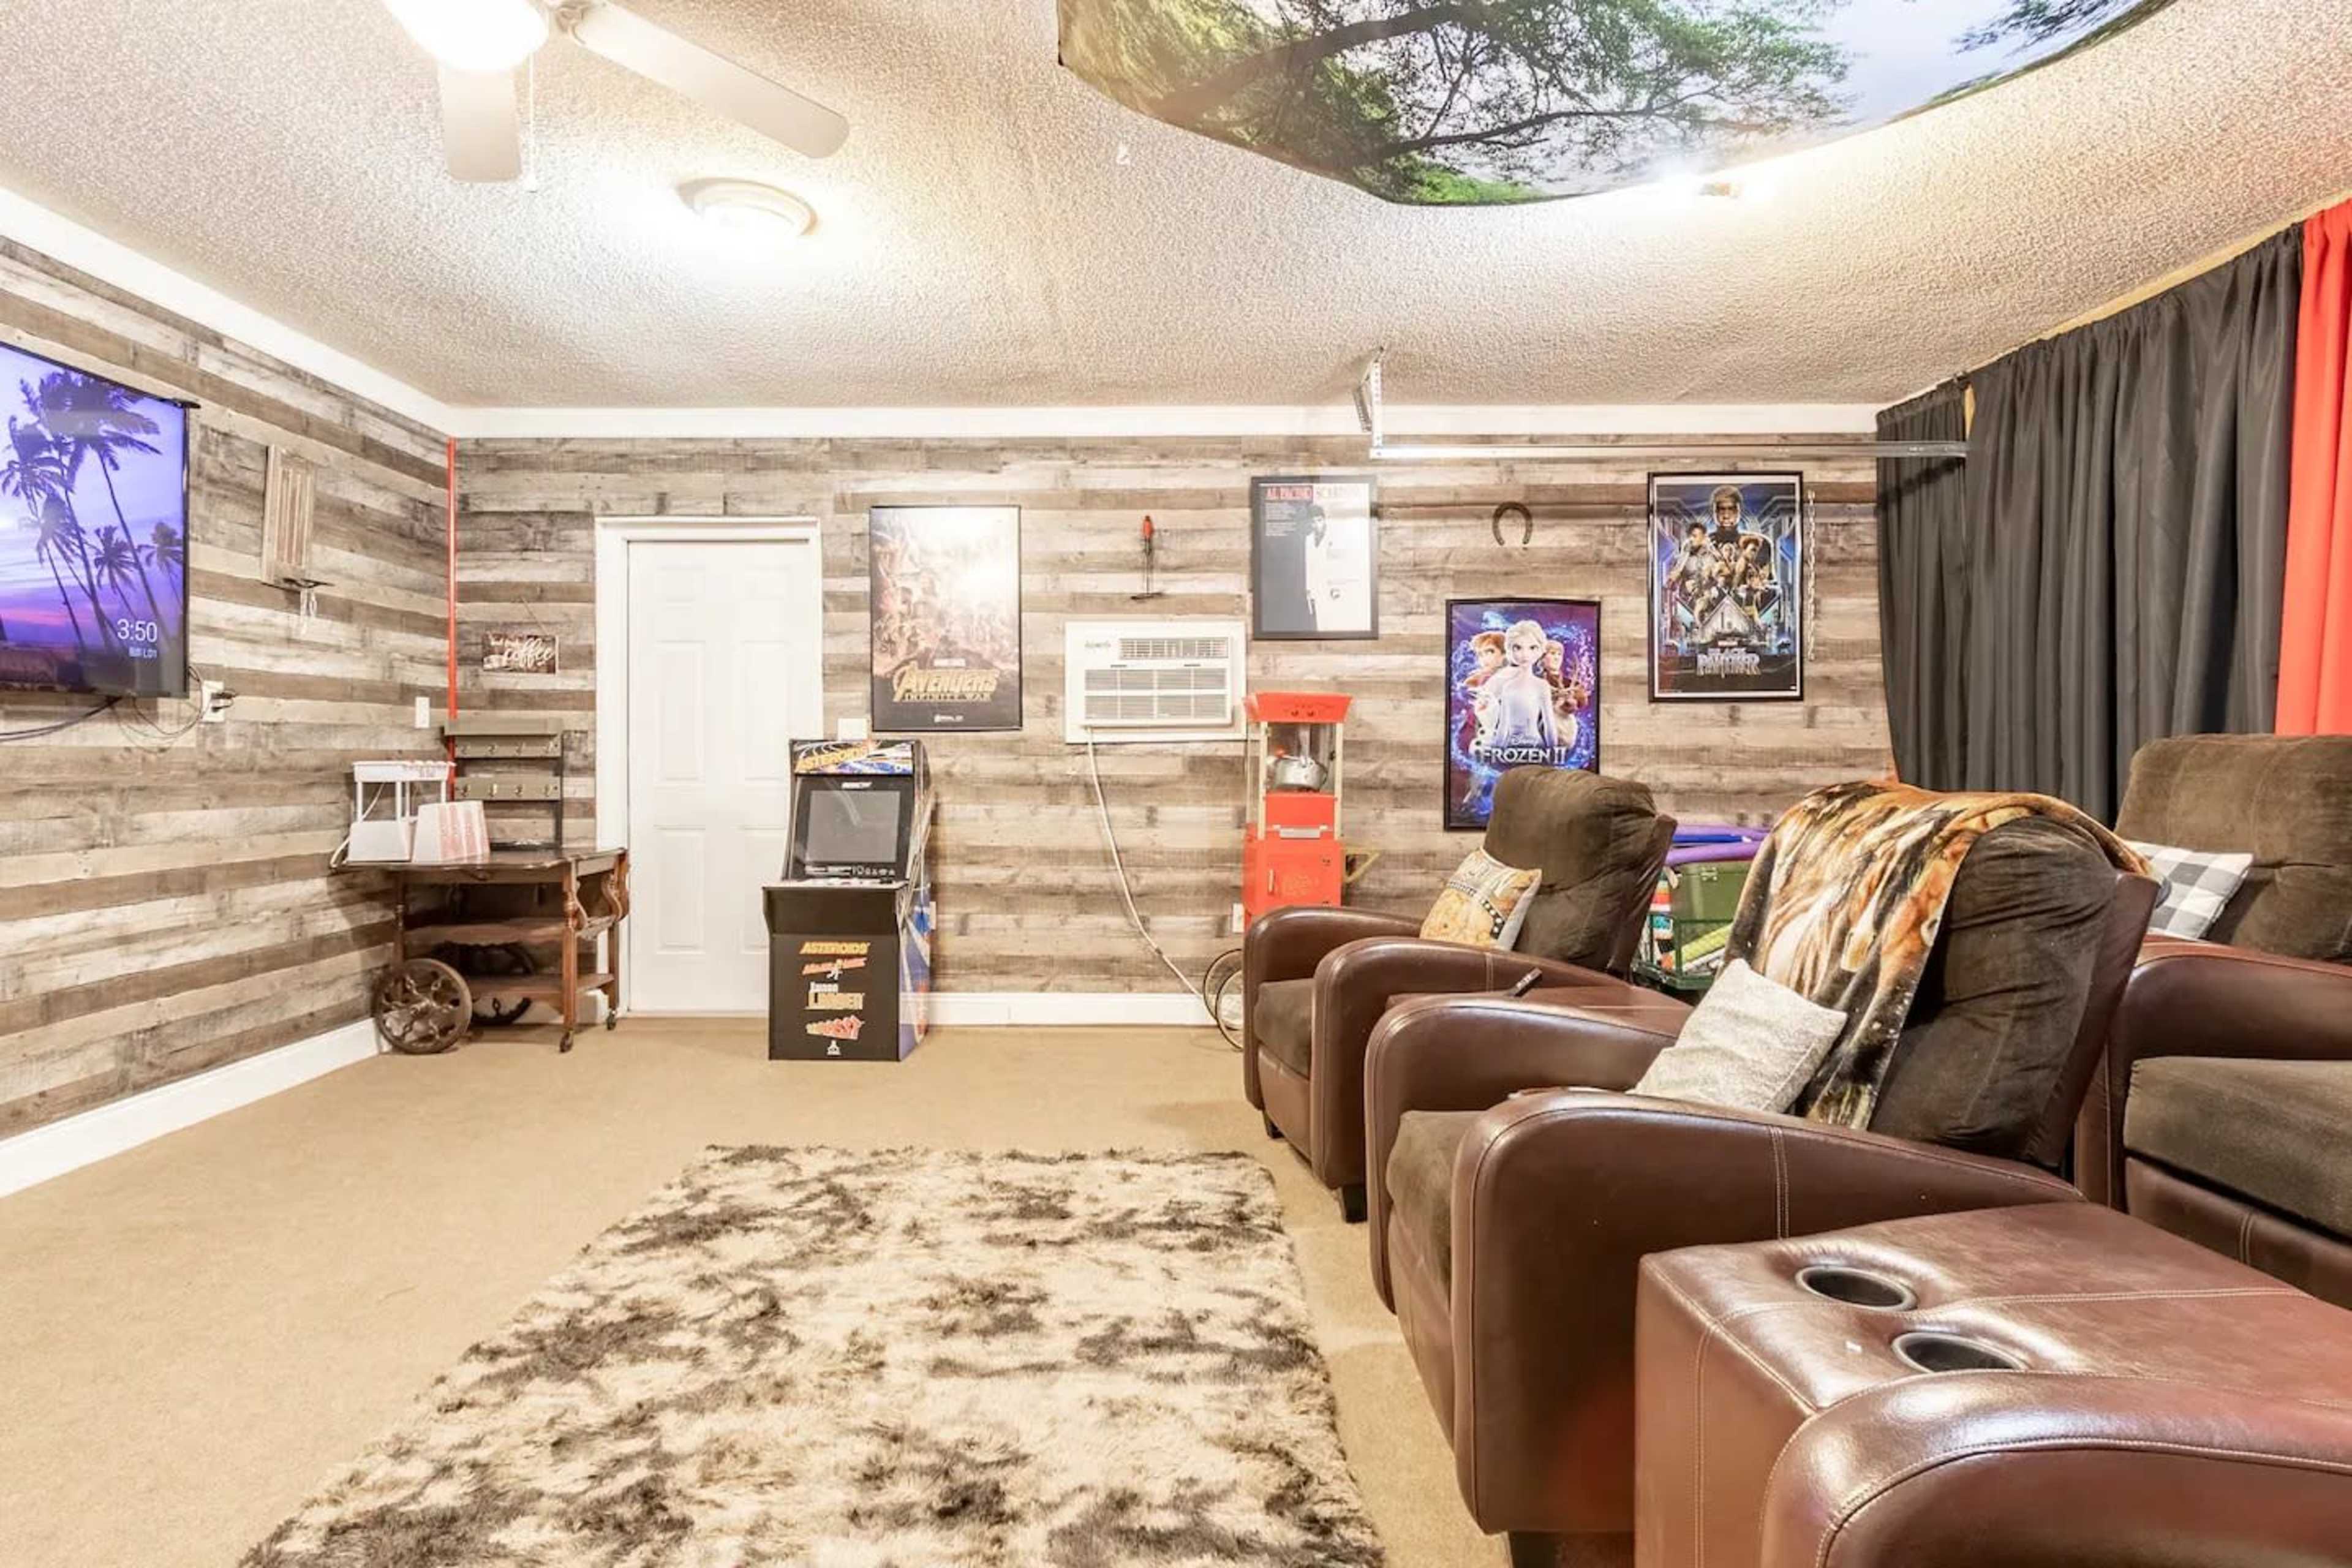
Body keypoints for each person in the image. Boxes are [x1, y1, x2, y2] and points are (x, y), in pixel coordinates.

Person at [1473, 619, 1559, 757]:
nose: (1525, 655)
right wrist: (1496, 753)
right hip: (1510, 749)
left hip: (1536, 747)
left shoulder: (1541, 686)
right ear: (1509, 650)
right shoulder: (1508, 686)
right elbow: (1504, 725)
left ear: (1540, 650)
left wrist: (1554, 755)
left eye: (1532, 648)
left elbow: (1550, 725)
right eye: (1518, 648)